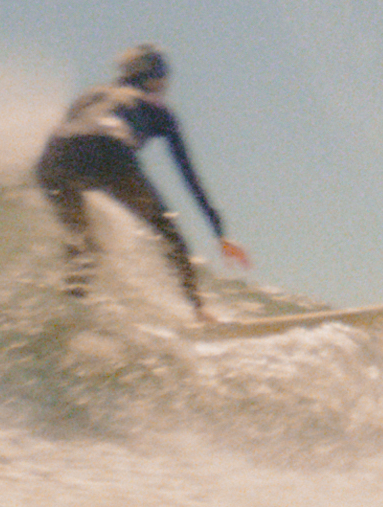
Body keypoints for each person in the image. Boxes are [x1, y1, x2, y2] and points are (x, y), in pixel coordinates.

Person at [32, 43, 248, 315]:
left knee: (83, 245)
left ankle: (69, 307)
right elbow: (189, 176)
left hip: (53, 160)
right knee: (169, 234)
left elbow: (69, 138)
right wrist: (220, 233)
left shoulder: (90, 95)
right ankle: (200, 313)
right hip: (109, 151)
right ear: (156, 78)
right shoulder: (158, 110)